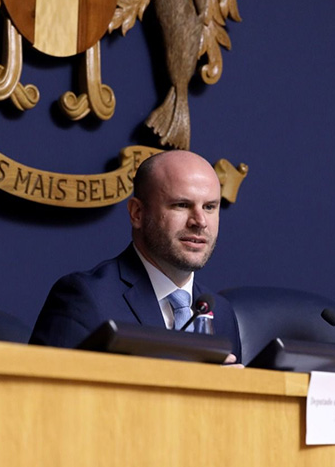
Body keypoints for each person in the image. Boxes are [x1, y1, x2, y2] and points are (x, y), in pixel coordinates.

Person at [29, 150, 242, 363]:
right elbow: (45, 393)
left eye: (209, 207)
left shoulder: (221, 313)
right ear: (137, 213)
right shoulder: (86, 299)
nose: (200, 221)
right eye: (181, 205)